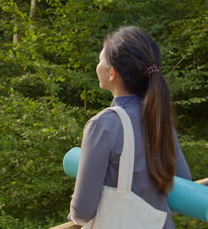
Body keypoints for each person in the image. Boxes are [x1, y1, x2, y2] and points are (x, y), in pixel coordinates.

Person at [69, 26, 192, 228]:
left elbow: (82, 211)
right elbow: (184, 184)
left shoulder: (104, 125)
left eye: (100, 60)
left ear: (112, 73)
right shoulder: (160, 119)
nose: (97, 65)